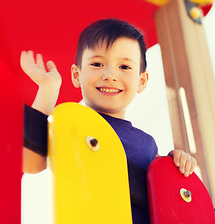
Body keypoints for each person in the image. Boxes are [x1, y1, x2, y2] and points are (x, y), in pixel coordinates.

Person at [21, 18, 197, 223]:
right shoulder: (71, 124)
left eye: (124, 67)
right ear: (76, 75)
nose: (110, 75)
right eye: (97, 64)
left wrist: (174, 164)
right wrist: (48, 89)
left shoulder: (146, 144)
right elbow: (29, 161)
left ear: (141, 81)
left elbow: (166, 199)